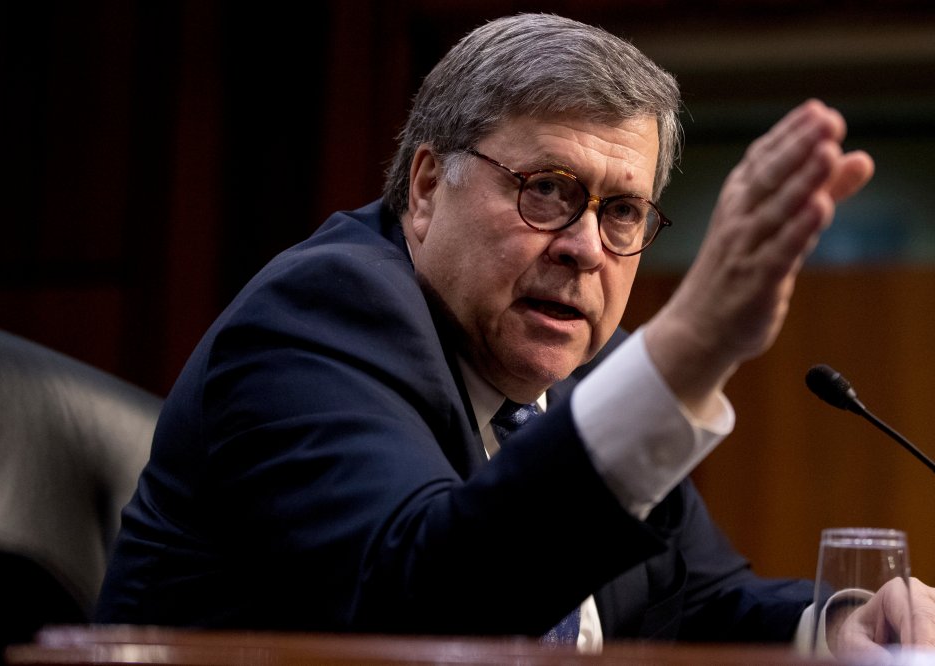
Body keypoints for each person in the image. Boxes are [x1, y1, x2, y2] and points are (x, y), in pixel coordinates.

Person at [95, 12, 934, 655]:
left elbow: (696, 599)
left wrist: (841, 625)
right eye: (545, 189)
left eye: (623, 213)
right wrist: (690, 346)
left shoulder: (561, 374)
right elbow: (425, 603)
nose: (582, 248)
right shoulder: (320, 317)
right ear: (426, 189)